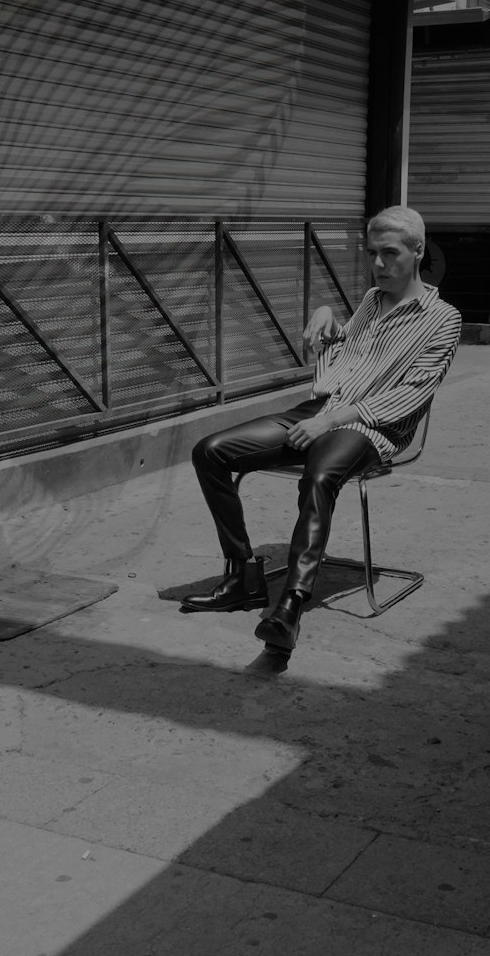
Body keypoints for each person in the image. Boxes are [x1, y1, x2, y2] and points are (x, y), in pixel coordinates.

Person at [180, 205, 462, 650]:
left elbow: (409, 395)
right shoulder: (372, 300)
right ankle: (242, 578)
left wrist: (329, 421)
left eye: (390, 254)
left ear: (419, 251)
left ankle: (290, 605)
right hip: (321, 409)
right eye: (372, 253)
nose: (379, 265)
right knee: (210, 451)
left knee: (319, 472)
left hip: (372, 428)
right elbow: (345, 353)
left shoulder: (443, 319)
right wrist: (327, 314)